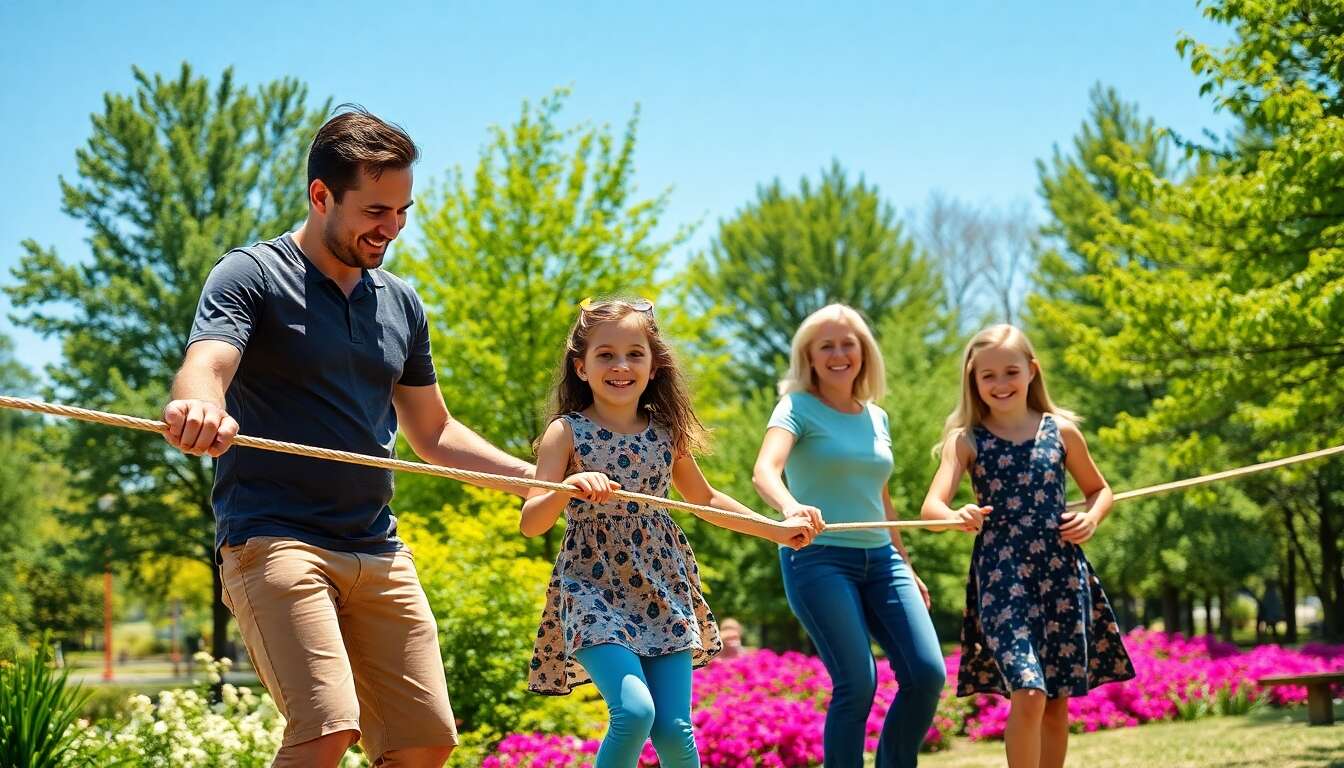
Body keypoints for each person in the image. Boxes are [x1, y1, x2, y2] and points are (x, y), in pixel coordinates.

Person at [161, 107, 533, 768]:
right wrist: (199, 408)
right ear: (321, 195)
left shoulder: (399, 303)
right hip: (276, 540)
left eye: (403, 212)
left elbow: (436, 431)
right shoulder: (251, 275)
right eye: (375, 211)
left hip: (377, 547)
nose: (391, 229)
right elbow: (208, 363)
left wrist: (535, 478)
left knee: (424, 741)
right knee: (327, 727)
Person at [521, 297, 820, 768]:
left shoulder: (666, 433)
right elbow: (530, 521)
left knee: (675, 731)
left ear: (654, 364)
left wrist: (775, 531)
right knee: (634, 712)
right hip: (591, 586)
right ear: (581, 367)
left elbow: (705, 500)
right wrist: (567, 488)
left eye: (634, 354)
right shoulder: (567, 432)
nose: (621, 366)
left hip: (661, 585)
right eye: (605, 355)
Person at [921, 323, 1134, 768]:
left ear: (1032, 371)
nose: (1001, 384)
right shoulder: (966, 440)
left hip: (1061, 575)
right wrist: (956, 516)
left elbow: (1100, 490)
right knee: (1029, 688)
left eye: (1011, 371)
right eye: (988, 375)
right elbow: (930, 509)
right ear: (973, 381)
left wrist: (1092, 517)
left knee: (1056, 701)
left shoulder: (1062, 432)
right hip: (1003, 580)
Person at [753, 304, 946, 768]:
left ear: (863, 352)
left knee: (927, 674)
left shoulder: (877, 417)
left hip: (882, 559)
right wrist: (789, 507)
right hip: (817, 559)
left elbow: (880, 497)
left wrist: (907, 565)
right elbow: (765, 471)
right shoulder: (796, 407)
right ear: (810, 357)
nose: (839, 354)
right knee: (857, 682)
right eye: (827, 346)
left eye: (848, 344)